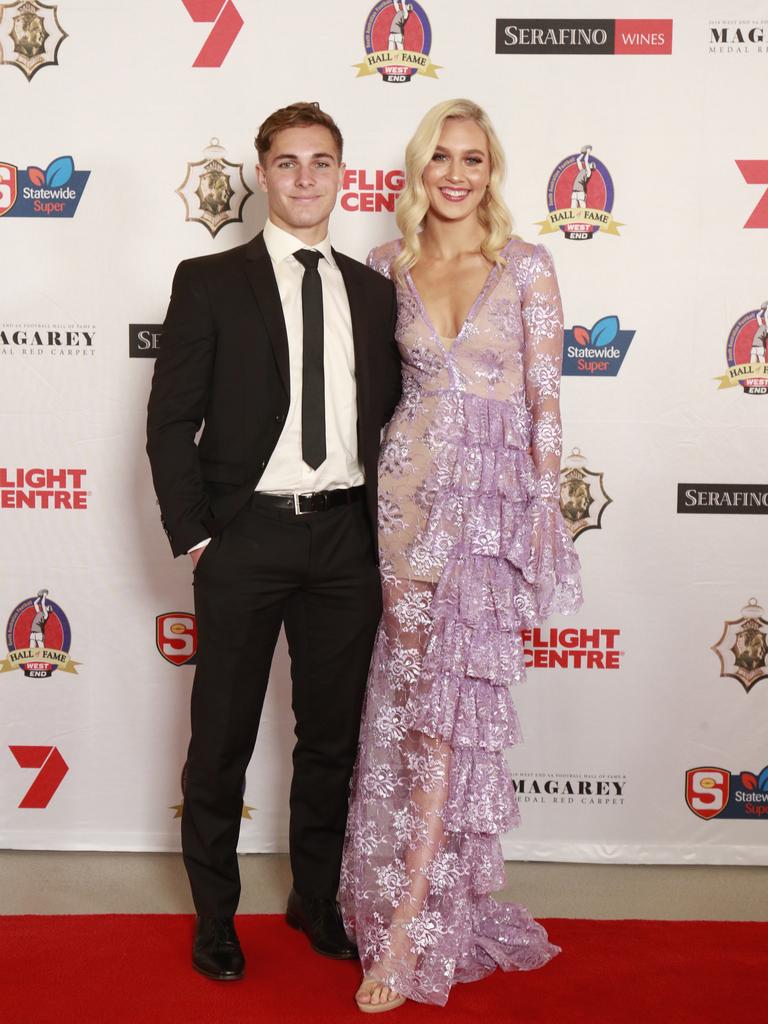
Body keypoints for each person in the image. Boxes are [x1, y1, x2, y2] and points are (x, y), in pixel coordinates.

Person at [146, 102, 401, 983]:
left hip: (345, 541)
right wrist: (199, 539)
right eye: (286, 163)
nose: (303, 179)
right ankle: (215, 916)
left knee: (331, 739)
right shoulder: (208, 281)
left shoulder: (375, 293)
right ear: (261, 174)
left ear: (342, 173)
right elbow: (171, 421)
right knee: (221, 738)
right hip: (246, 536)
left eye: (320, 162)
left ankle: (315, 899)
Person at [339, 98, 582, 1012]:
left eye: (472, 160)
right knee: (402, 708)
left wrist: (541, 515)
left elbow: (547, 404)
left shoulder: (526, 266)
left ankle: (410, 934)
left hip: (486, 514)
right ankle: (383, 897)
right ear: (417, 166)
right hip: (402, 504)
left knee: (450, 721)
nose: (455, 174)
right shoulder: (384, 265)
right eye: (440, 156)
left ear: (493, 172)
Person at [571, 145, 593, 209]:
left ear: (591, 167)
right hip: (575, 191)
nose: (589, 164)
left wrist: (588, 152)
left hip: (581, 192)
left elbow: (586, 160)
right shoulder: (582, 170)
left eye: (591, 164)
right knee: (572, 209)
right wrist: (583, 154)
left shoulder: (589, 172)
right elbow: (578, 160)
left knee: (583, 210)